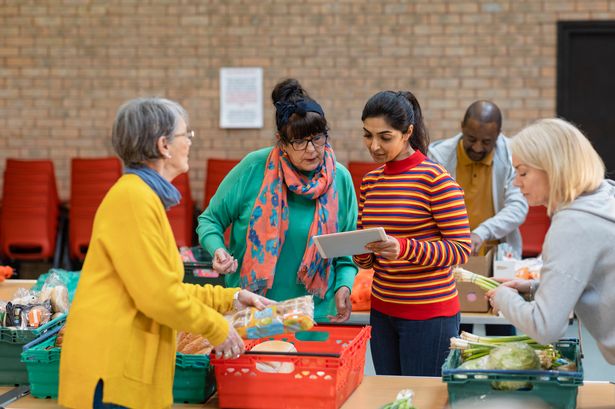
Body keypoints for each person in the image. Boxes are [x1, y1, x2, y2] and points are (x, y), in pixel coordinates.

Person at [58, 97, 272, 409]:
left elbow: (166, 286)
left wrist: (231, 299)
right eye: (186, 135)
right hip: (111, 371)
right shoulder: (133, 199)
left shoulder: (143, 197)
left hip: (126, 367)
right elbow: (158, 296)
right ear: (164, 145)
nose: (189, 143)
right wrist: (217, 327)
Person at [197, 78, 358, 323]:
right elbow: (210, 220)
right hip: (253, 312)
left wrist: (344, 287)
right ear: (281, 142)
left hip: (315, 314)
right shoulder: (254, 168)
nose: (312, 150)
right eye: (299, 142)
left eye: (318, 138)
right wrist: (218, 250)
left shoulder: (340, 179)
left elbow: (346, 251)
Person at [354, 90, 471, 376]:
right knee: (392, 398)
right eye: (368, 135)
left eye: (385, 136)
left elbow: (460, 249)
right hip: (382, 312)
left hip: (429, 315)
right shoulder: (370, 182)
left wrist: (404, 248)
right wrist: (360, 251)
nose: (374, 146)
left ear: (407, 132)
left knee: (421, 400)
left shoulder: (435, 180)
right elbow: (367, 251)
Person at [486, 118, 615, 365]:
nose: (516, 182)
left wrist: (503, 297)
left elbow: (545, 327)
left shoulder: (573, 225)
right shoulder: (603, 196)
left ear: (553, 167)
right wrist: (534, 288)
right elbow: (589, 278)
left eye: (523, 172)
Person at [428, 100, 527, 337]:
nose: (479, 147)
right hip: (452, 259)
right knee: (457, 328)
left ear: (498, 135)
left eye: (487, 142)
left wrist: (480, 233)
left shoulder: (513, 155)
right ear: (461, 127)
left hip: (497, 260)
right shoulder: (438, 155)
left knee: (501, 329)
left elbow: (518, 207)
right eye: (472, 139)